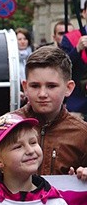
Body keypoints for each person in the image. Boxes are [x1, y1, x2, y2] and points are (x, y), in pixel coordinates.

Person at [13, 46, 87, 176]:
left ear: (68, 88)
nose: (42, 94)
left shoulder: (82, 134)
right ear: (25, 86)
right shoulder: (6, 128)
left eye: (51, 86)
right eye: (35, 86)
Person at [60, 0, 87, 119]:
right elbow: (62, 66)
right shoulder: (70, 38)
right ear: (84, 13)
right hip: (78, 103)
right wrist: (77, 49)